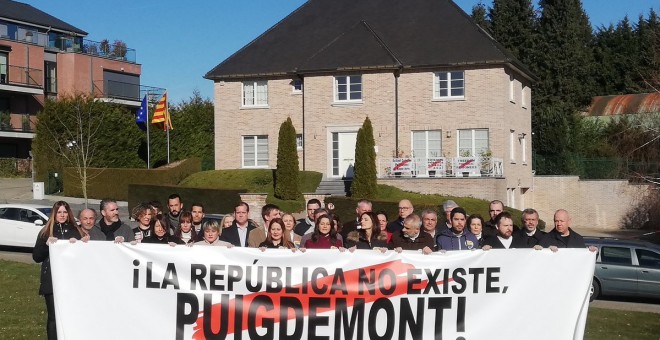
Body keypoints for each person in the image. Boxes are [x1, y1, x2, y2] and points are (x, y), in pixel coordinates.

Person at [32, 201, 82, 340]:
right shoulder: (45, 232)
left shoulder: (75, 230)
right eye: (59, 212)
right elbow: (36, 257)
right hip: (52, 280)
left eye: (65, 212)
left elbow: (83, 254)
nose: (62, 215)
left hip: (71, 279)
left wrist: (78, 244)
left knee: (70, 314)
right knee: (53, 316)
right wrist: (47, 245)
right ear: (54, 214)